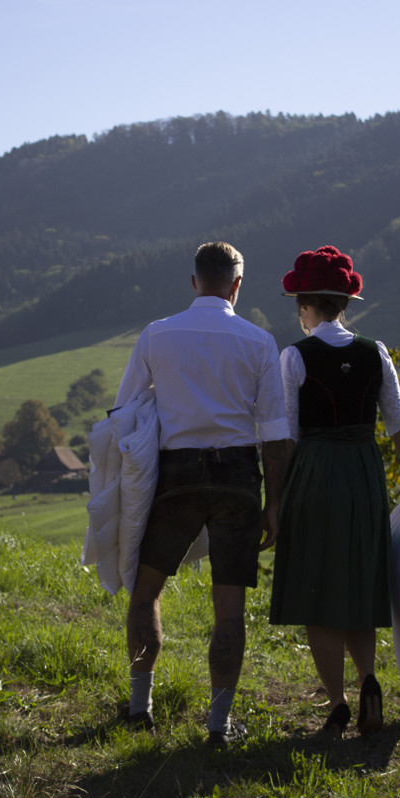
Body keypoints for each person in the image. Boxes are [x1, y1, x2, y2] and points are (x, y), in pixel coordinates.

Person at [115, 241, 292, 748]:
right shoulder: (259, 341)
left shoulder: (156, 335)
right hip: (238, 475)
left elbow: (124, 412)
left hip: (177, 475)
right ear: (237, 285)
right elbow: (276, 432)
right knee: (229, 611)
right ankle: (217, 725)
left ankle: (139, 706)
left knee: (146, 591)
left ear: (194, 282)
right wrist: (273, 503)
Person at [269, 245, 400, 737]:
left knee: (318, 588)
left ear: (306, 306)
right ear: (345, 304)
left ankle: (337, 703)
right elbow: (398, 422)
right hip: (364, 474)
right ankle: (368, 680)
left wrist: (275, 500)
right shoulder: (375, 353)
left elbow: (289, 436)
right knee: (359, 582)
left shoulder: (295, 357)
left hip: (316, 474)